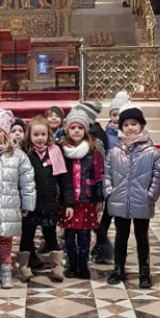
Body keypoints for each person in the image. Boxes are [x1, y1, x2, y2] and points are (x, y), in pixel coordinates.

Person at [103, 103, 160, 288]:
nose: (130, 128)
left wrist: (150, 196)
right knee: (121, 236)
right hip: (119, 200)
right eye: (126, 124)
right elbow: (107, 174)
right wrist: (109, 192)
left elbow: (157, 177)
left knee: (141, 237)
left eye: (134, 124)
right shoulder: (114, 152)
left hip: (142, 201)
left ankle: (144, 271)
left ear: (141, 125)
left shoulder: (152, 152)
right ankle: (118, 269)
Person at [0, 108, 36, 289]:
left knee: (6, 241)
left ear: (5, 133)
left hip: (9, 205)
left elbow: (27, 180)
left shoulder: (17, 155)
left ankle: (5, 272)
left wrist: (27, 203)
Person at [19, 116, 72, 283]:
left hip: (49, 203)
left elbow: (64, 180)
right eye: (36, 134)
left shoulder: (55, 152)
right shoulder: (24, 154)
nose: (40, 138)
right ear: (29, 135)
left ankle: (57, 265)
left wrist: (68, 202)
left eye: (43, 134)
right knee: (27, 235)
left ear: (48, 134)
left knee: (50, 235)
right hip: (30, 204)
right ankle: (24, 265)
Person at [59, 109, 104, 279]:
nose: (76, 131)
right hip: (69, 201)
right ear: (67, 130)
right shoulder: (61, 150)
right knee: (69, 235)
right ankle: (72, 264)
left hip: (87, 199)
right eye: (73, 128)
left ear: (85, 129)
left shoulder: (93, 151)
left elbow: (99, 175)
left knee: (85, 235)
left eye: (80, 128)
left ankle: (83, 265)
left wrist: (99, 198)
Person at [92, 91, 130, 264]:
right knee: (107, 214)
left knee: (118, 217)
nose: (116, 119)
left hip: (125, 180)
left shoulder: (130, 134)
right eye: (114, 115)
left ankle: (107, 245)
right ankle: (101, 242)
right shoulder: (106, 134)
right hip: (110, 179)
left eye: (120, 115)